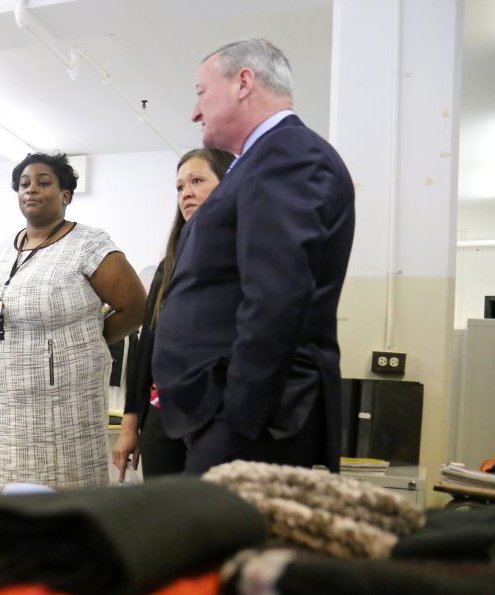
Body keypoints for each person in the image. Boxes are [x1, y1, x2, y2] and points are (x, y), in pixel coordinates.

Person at [152, 38, 355, 475]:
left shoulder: (288, 153)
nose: (195, 111)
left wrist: (237, 420)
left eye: (201, 92)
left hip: (254, 423)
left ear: (243, 82)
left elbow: (277, 296)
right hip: (226, 414)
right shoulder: (258, 162)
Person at [0, 152, 146, 492]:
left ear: (66, 195)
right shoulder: (4, 248)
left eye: (43, 182)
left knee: (60, 503)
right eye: (24, 184)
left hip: (60, 411)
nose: (31, 189)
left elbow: (134, 307)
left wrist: (85, 341)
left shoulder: (88, 244)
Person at [111, 147, 234, 482]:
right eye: (180, 187)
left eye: (197, 181)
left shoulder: (245, 254)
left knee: (209, 519)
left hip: (217, 412)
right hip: (162, 413)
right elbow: (147, 343)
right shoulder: (171, 262)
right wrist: (130, 424)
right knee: (165, 518)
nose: (186, 193)